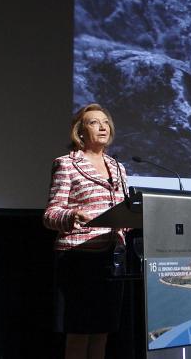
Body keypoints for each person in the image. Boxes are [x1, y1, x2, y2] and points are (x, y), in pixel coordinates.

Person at [43, 104, 129, 359]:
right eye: (94, 122)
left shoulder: (118, 168)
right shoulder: (67, 165)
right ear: (80, 132)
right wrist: (72, 216)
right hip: (78, 259)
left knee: (102, 331)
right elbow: (50, 215)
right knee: (80, 332)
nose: (102, 126)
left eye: (105, 122)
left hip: (112, 258)